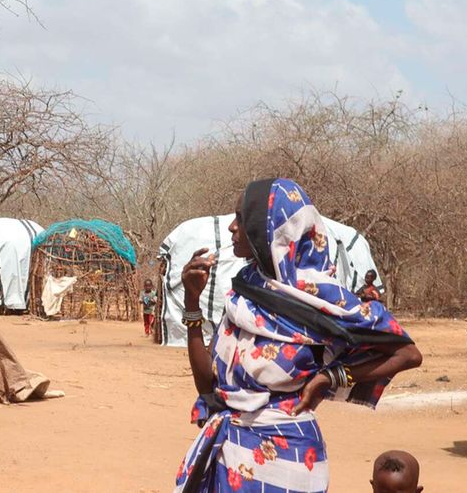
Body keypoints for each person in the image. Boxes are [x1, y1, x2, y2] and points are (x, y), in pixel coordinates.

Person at [174, 178, 422, 492]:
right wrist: (192, 302)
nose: (232, 228)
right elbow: (207, 384)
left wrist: (331, 377)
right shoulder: (244, 291)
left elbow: (407, 354)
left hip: (288, 462)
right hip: (229, 454)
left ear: (271, 229)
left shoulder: (325, 299)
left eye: (242, 218)